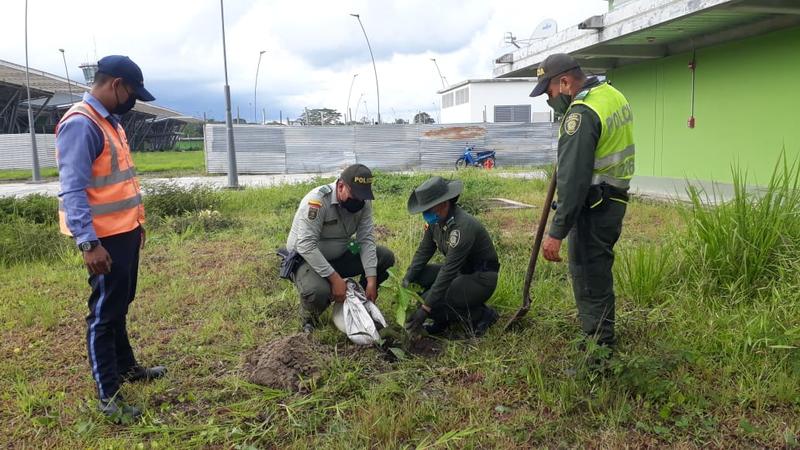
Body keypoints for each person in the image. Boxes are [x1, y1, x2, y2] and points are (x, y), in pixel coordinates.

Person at [56, 55, 165, 421]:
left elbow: (119, 184)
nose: (133, 100)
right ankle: (108, 394)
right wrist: (88, 243)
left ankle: (127, 367)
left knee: (121, 302)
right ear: (116, 85)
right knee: (103, 314)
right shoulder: (81, 124)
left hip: (125, 233)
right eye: (132, 92)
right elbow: (73, 190)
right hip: (103, 240)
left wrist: (136, 225)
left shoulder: (110, 122)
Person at [529, 53, 635, 351]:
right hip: (614, 199)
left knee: (588, 275)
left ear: (564, 82)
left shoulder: (581, 113)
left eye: (549, 93)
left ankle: (598, 350)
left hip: (593, 205)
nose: (549, 101)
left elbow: (574, 180)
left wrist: (556, 231)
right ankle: (599, 336)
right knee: (598, 270)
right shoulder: (611, 94)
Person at [285, 164, 395, 332]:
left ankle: (364, 300)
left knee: (384, 256)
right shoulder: (317, 201)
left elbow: (365, 240)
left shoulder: (363, 202)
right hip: (307, 258)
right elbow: (306, 245)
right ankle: (309, 318)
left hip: (343, 250)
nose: (358, 201)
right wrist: (335, 279)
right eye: (354, 195)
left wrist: (371, 280)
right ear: (341, 186)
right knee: (318, 291)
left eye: (362, 197)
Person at [403, 176, 500, 337]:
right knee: (418, 279)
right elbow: (424, 251)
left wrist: (425, 308)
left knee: (432, 301)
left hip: (481, 278)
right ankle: (444, 319)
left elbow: (447, 271)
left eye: (429, 209)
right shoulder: (436, 223)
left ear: (444, 203)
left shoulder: (462, 228)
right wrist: (407, 279)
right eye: (424, 210)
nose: (426, 214)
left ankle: (482, 315)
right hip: (460, 272)